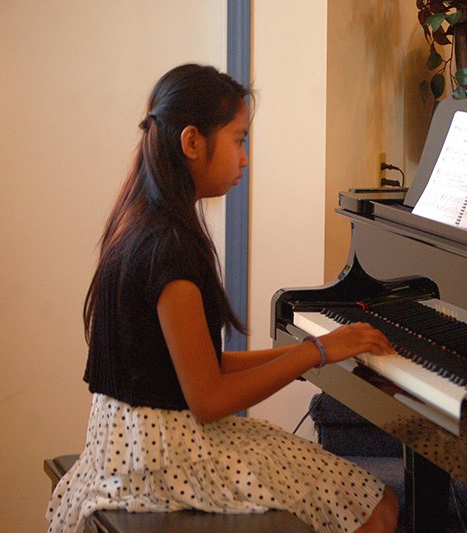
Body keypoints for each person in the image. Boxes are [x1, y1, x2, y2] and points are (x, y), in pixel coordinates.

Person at [46, 63, 399, 533]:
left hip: (127, 442)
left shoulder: (142, 222)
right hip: (161, 462)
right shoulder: (170, 248)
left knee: (336, 479)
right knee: (375, 508)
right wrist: (317, 352)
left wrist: (306, 354)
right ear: (192, 142)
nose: (245, 158)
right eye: (239, 140)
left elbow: (196, 368)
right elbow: (209, 398)